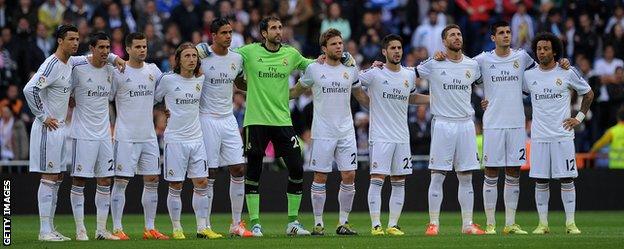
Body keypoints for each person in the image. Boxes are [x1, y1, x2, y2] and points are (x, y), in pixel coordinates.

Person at [196, 16, 354, 236]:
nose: (279, 31)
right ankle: (255, 223)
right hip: (256, 120)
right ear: (263, 33)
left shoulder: (290, 54)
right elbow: (224, 55)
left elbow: (316, 63)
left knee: (297, 167)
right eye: (273, 28)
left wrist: (344, 57)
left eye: (280, 27)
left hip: (282, 120)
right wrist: (202, 48)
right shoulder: (248, 52)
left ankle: (292, 222)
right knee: (253, 170)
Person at [23, 24, 122, 242]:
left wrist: (115, 59)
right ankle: (43, 231)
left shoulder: (71, 62)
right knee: (48, 178)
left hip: (60, 128)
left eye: (77, 39)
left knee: (57, 178)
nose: (75, 43)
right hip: (48, 128)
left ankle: (50, 227)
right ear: (59, 41)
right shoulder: (52, 64)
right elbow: (30, 89)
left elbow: (97, 55)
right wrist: (42, 116)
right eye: (71, 39)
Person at [289, 28, 368, 236]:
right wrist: (269, 93)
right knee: (320, 176)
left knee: (349, 175)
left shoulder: (351, 69)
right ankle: (318, 223)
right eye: (334, 44)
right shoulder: (315, 69)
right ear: (324, 48)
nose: (339, 47)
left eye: (340, 43)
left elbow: (361, 96)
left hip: (346, 131)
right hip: (322, 131)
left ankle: (343, 223)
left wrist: (382, 106)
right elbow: (296, 91)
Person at [523, 32, 593, 235]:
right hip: (539, 136)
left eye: (546, 48)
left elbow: (588, 93)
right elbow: (511, 91)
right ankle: (542, 224)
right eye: (538, 49)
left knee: (567, 179)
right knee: (541, 180)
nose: (541, 52)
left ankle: (570, 223)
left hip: (562, 135)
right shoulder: (529, 75)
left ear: (554, 51)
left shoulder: (567, 71)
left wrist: (578, 118)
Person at [359, 34, 429, 236]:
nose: (397, 51)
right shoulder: (374, 74)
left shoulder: (408, 75)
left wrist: (434, 99)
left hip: (402, 136)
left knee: (399, 180)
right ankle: (375, 225)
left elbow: (411, 97)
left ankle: (392, 224)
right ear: (384, 51)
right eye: (393, 48)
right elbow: (352, 80)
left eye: (399, 48)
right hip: (380, 136)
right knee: (378, 179)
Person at [418, 24, 484, 236]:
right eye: (452, 35)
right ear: (444, 42)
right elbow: (408, 75)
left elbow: (487, 85)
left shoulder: (472, 65)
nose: (457, 37)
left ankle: (467, 224)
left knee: (466, 176)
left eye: (459, 34)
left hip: (466, 124)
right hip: (443, 123)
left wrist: (487, 101)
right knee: (438, 175)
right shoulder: (434, 64)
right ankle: (433, 224)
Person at [195, 18, 251, 238]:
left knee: (238, 168)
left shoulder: (236, 58)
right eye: (224, 33)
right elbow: (182, 69)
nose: (229, 36)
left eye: (230, 31)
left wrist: (260, 85)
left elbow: (239, 83)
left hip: (228, 119)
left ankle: (236, 223)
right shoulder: (201, 56)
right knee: (209, 173)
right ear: (213, 36)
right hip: (206, 118)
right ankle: (205, 225)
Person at [109, 32, 167, 240]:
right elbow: (107, 98)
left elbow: (165, 91)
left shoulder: (154, 70)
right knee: (121, 181)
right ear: (128, 49)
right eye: (138, 47)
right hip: (125, 135)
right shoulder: (118, 72)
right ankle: (117, 228)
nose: (143, 49)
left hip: (149, 136)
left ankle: (149, 228)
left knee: (152, 180)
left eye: (145, 46)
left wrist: (166, 108)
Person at [154, 42, 210, 240]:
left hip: (197, 138)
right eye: (187, 56)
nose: (191, 59)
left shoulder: (200, 79)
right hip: (175, 139)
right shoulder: (168, 80)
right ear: (178, 60)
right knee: (176, 185)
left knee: (202, 182)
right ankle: (177, 228)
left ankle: (202, 227)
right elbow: (152, 98)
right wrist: (162, 112)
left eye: (194, 56)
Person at [67, 32, 119, 241]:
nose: (105, 52)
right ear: (92, 48)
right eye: (101, 48)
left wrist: (116, 59)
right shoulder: (77, 68)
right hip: (82, 134)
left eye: (108, 48)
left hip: (104, 134)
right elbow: (67, 95)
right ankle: (80, 230)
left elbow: (115, 96)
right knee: (79, 180)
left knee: (105, 180)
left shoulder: (111, 70)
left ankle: (100, 230)